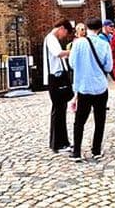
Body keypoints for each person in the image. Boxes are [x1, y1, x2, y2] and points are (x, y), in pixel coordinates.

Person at [68, 17, 113, 161]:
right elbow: (108, 67)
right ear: (99, 28)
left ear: (87, 28)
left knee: (79, 121)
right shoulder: (104, 44)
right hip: (100, 86)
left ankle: (76, 151)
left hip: (84, 86)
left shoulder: (79, 43)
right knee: (100, 120)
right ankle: (96, 149)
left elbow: (72, 64)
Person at [43, 19, 73, 154]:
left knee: (60, 110)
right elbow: (58, 53)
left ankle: (62, 141)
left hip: (57, 77)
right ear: (61, 28)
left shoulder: (52, 39)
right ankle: (58, 143)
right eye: (65, 33)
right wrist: (72, 51)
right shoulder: (51, 39)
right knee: (59, 111)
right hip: (56, 78)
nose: (64, 36)